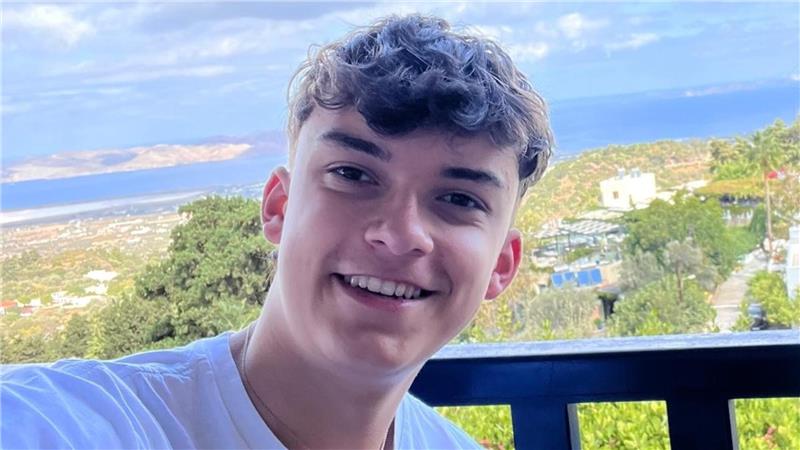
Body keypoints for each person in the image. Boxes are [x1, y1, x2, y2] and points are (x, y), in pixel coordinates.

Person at [1, 14, 552, 449]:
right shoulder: (68, 425)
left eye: (458, 199)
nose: (401, 234)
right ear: (279, 207)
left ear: (501, 264)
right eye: (353, 175)